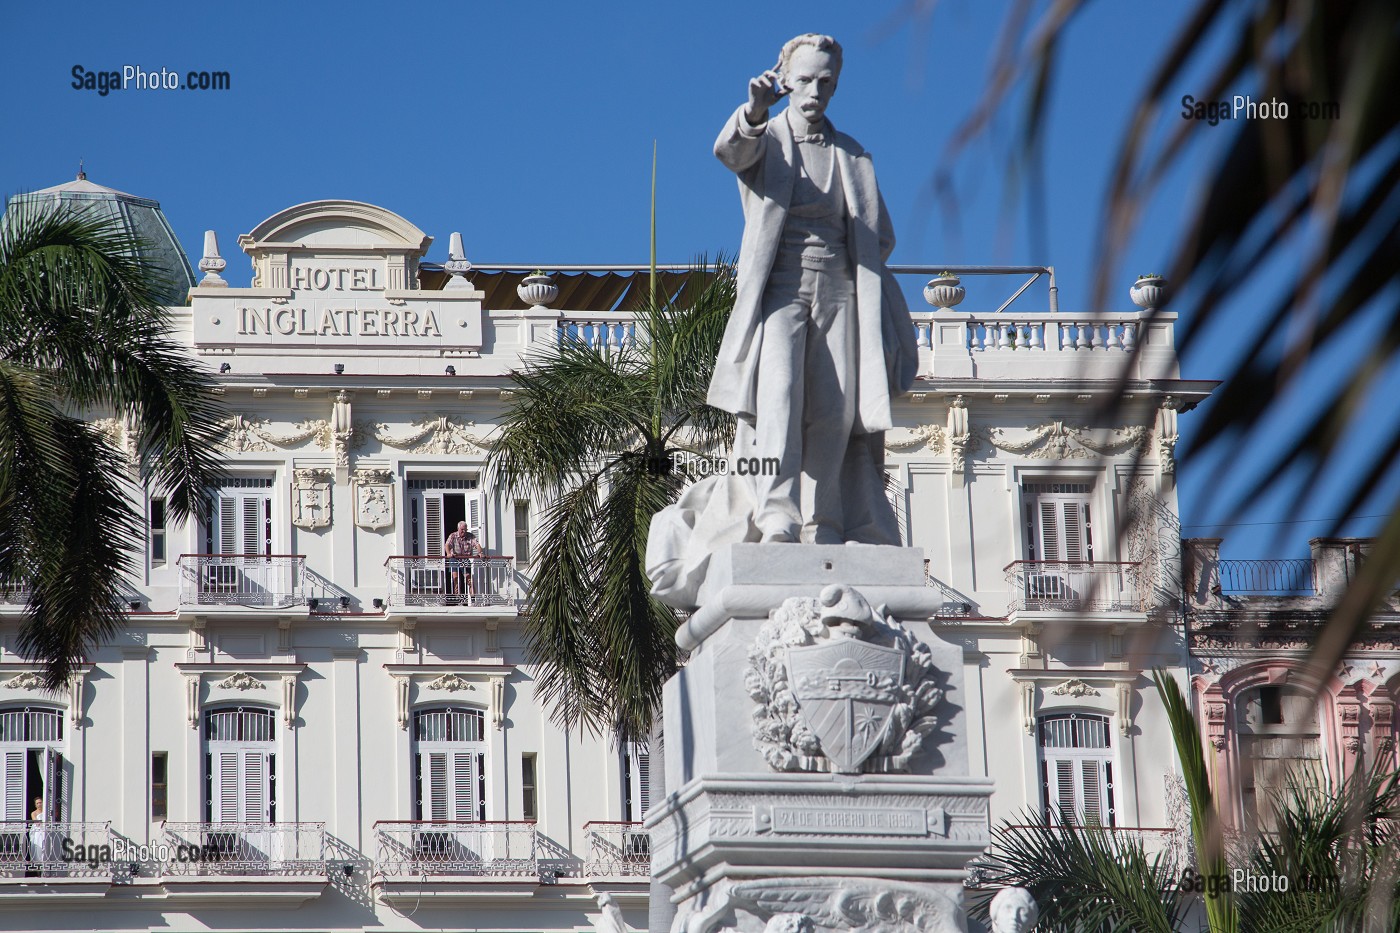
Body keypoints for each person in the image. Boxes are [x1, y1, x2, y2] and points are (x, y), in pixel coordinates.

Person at [709, 33, 918, 546]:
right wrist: (753, 112)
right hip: (781, 289)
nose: (815, 90)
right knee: (778, 395)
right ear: (785, 80)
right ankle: (776, 509)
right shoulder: (767, 138)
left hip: (841, 290)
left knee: (834, 408)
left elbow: (879, 234)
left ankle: (822, 519)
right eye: (804, 79)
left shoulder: (853, 156)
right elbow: (729, 151)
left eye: (826, 81)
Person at [445, 522, 486, 601]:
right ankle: (458, 600)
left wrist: (480, 552)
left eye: (465, 529)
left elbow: (477, 545)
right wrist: (448, 553)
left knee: (469, 580)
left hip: (465, 559)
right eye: (462, 529)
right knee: (456, 579)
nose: (464, 531)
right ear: (458, 529)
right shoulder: (453, 535)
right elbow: (447, 545)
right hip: (455, 559)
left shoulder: (470, 536)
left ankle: (473, 599)